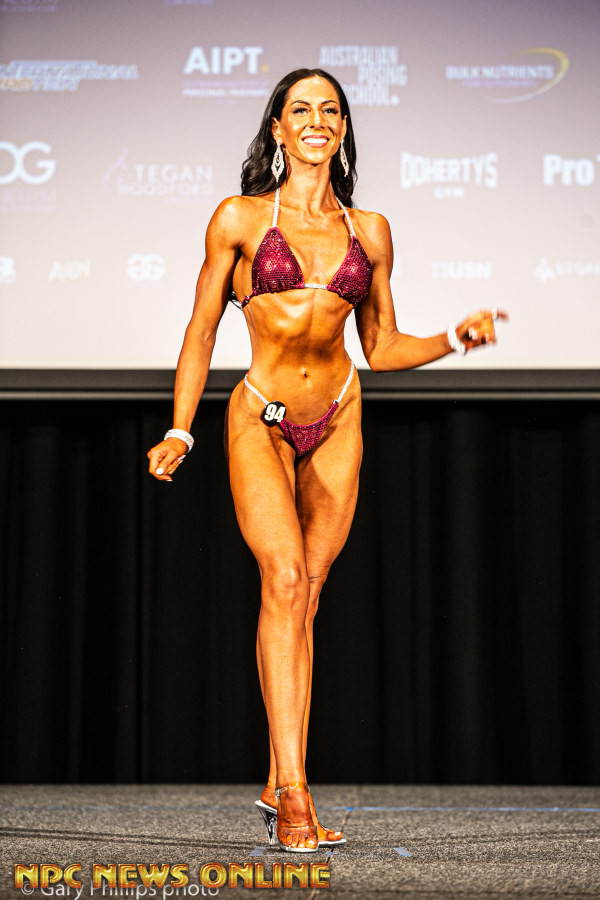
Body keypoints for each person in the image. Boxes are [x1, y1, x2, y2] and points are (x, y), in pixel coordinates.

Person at [147, 67, 507, 853]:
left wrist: (453, 339)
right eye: (301, 110)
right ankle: (295, 791)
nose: (317, 120)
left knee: (306, 598)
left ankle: (279, 777)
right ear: (278, 128)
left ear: (343, 128)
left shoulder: (369, 229)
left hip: (339, 416)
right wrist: (181, 430)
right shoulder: (240, 218)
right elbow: (201, 330)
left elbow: (380, 346)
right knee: (282, 580)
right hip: (261, 418)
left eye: (331, 110)